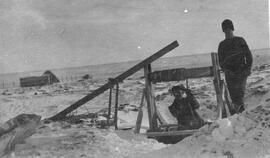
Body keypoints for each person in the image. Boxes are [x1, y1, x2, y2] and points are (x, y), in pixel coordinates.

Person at [218, 19, 253, 114]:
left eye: (229, 28)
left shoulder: (240, 40)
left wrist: (247, 69)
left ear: (232, 29)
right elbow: (221, 61)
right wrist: (227, 71)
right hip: (230, 74)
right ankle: (237, 117)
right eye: (225, 29)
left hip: (241, 72)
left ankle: (240, 116)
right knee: (234, 96)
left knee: (240, 95)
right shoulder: (222, 45)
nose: (227, 31)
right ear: (223, 30)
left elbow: (248, 56)